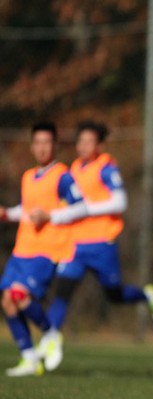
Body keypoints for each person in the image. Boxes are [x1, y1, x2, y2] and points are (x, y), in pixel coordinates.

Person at [31, 120, 153, 370]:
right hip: (75, 244)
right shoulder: (72, 169)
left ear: (99, 145)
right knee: (62, 293)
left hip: (102, 244)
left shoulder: (106, 169)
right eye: (80, 141)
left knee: (114, 293)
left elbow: (120, 202)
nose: (82, 146)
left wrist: (85, 209)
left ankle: (146, 295)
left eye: (88, 142)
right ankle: (49, 341)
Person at [1, 122, 86, 376]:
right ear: (31, 146)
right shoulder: (28, 176)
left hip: (46, 250)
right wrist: (8, 213)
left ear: (55, 145)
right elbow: (28, 211)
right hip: (22, 249)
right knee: (7, 301)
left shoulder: (62, 175)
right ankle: (29, 357)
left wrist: (50, 216)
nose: (41, 148)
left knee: (18, 295)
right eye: (37, 143)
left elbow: (81, 207)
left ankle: (50, 333)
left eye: (46, 143)